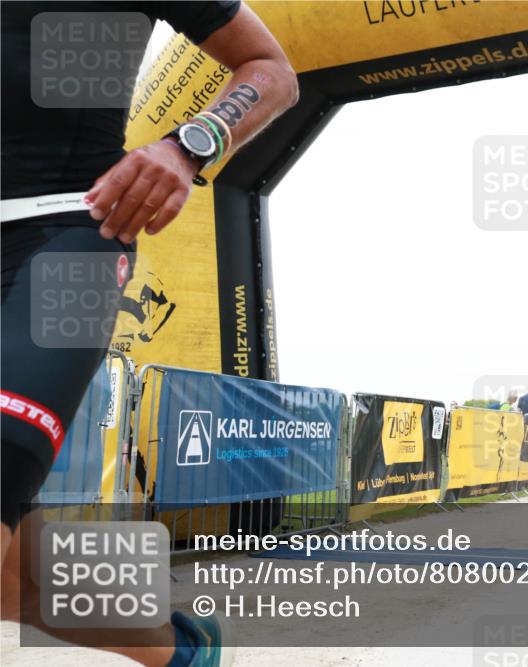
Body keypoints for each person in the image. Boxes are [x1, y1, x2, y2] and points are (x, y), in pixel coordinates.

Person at [1, 2, 299, 665]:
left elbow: (270, 68)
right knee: (17, 583)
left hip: (62, 235)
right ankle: (183, 653)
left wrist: (188, 144)